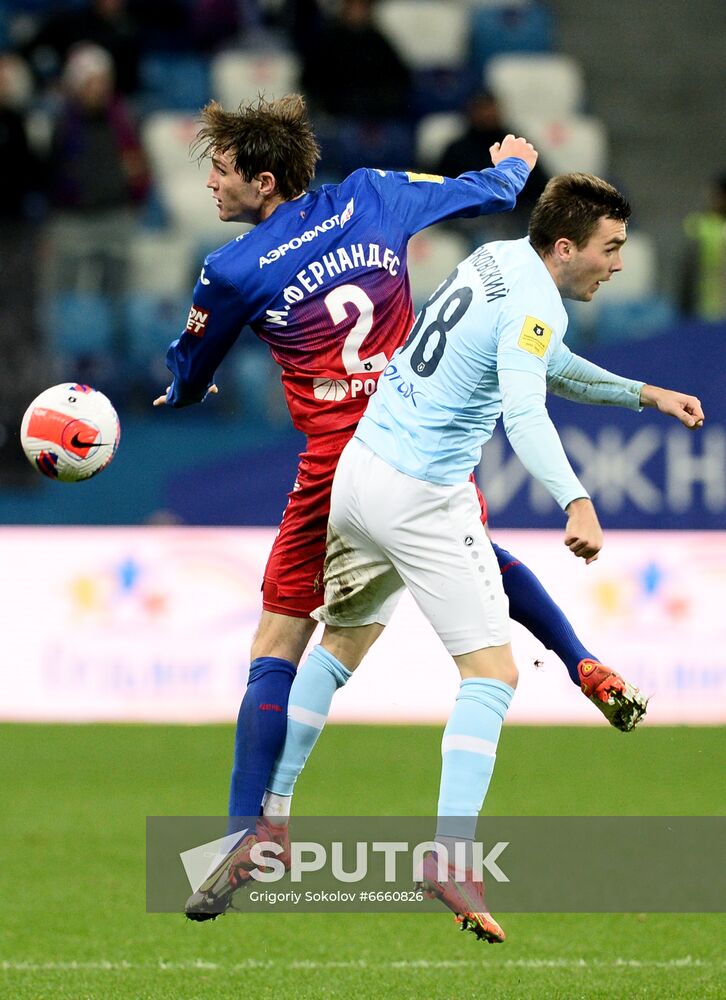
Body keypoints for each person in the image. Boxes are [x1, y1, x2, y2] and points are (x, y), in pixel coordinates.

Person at [153, 97, 645, 907]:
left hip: (338, 470)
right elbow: (478, 193)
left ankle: (252, 829)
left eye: (223, 170)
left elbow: (191, 369)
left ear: (264, 181)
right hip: (420, 433)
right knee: (472, 563)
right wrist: (514, 166)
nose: (211, 182)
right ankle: (575, 657)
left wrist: (178, 391)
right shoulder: (374, 194)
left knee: (282, 642)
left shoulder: (233, 269)